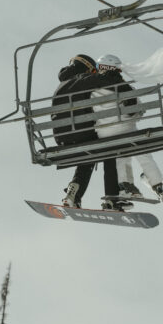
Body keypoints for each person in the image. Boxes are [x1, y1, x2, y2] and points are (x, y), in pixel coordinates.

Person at [91, 53, 163, 213]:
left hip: (104, 134)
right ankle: (156, 184)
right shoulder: (124, 86)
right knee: (141, 151)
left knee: (118, 152)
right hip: (127, 131)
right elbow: (138, 110)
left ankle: (125, 186)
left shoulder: (92, 88)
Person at [51, 54, 123, 210]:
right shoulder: (83, 79)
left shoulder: (61, 85)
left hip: (61, 137)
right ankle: (112, 199)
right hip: (81, 133)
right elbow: (111, 83)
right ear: (87, 69)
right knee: (110, 149)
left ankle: (73, 194)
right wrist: (113, 73)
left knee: (88, 158)